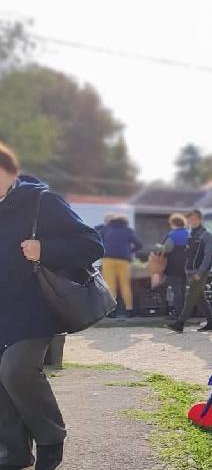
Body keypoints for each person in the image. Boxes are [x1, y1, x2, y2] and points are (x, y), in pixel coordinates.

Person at [0, 141, 104, 470]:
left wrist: (44, 249)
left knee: (16, 370)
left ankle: (50, 439)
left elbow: (91, 244)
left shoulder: (41, 201)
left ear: (10, 172)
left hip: (34, 311)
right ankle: (15, 451)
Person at [167, 210, 212, 333]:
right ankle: (211, 323)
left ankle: (180, 323)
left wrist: (200, 272)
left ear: (200, 220)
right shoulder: (190, 234)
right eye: (190, 219)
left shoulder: (207, 235)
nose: (192, 221)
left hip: (199, 272)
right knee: (200, 297)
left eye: (195, 218)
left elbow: (208, 256)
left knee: (190, 296)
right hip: (190, 271)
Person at [99, 213, 142, 318]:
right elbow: (139, 245)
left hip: (107, 259)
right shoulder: (128, 231)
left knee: (110, 286)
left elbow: (97, 241)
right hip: (124, 260)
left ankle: (111, 312)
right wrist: (129, 251)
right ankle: (129, 310)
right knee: (125, 286)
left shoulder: (106, 230)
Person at [159, 214, 191, 320]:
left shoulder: (172, 235)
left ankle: (177, 313)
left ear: (173, 223)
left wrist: (160, 248)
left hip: (173, 265)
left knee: (176, 291)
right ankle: (185, 312)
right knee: (183, 290)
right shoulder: (188, 233)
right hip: (186, 265)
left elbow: (167, 249)